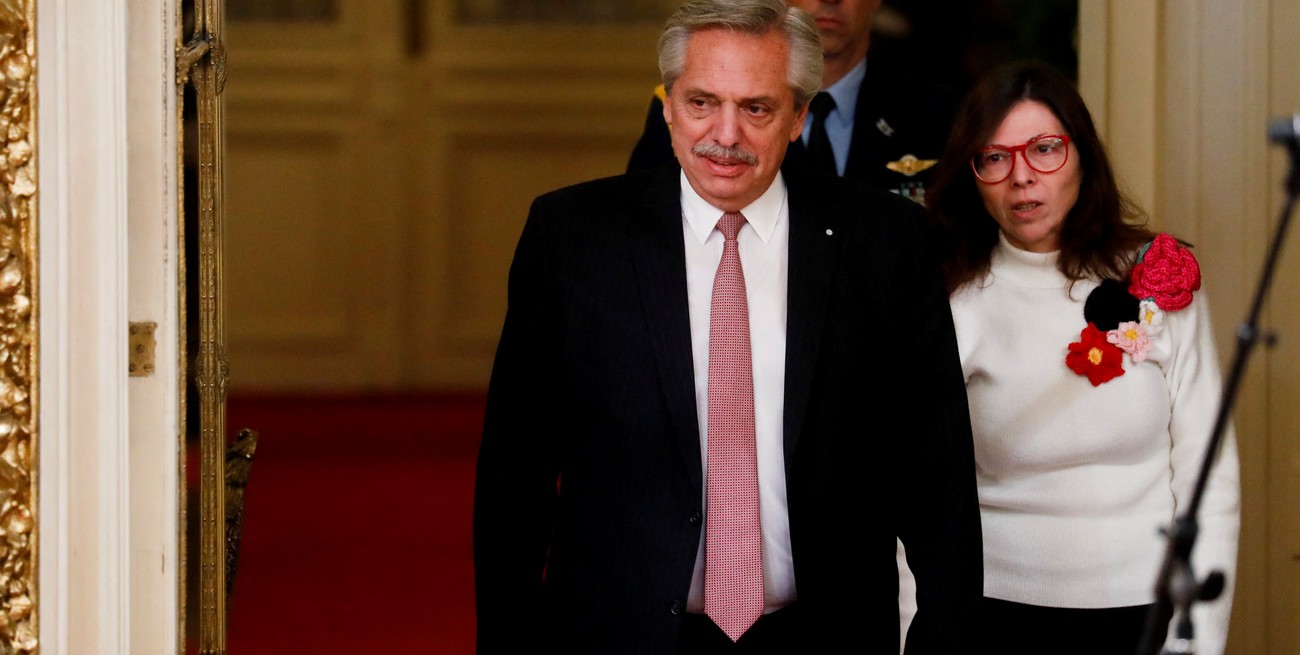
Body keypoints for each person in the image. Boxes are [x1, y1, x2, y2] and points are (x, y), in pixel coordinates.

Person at [474, 1, 981, 652]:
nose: (726, 134)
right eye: (702, 102)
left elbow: (937, 474)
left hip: (826, 636)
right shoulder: (573, 239)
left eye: (757, 108)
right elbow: (516, 479)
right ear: (667, 107)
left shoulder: (884, 242)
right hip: (623, 634)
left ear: (798, 117)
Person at [925, 61, 1241, 654]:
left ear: (1082, 156)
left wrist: (1198, 638)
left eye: (1045, 149)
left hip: (1147, 611)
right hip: (992, 614)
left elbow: (1209, 475)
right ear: (973, 175)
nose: (1022, 176)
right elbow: (915, 498)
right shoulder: (952, 298)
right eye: (994, 158)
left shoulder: (1158, 275)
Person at [626, 0, 956, 203]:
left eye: (755, 108)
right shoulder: (688, 112)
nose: (830, 0)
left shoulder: (938, 113)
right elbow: (645, 224)